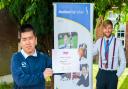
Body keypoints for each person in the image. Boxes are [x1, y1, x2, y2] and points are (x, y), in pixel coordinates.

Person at [11, 24, 53, 89]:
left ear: (36, 40)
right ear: (21, 43)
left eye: (30, 38)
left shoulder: (43, 57)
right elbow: (20, 81)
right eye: (24, 39)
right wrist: (42, 75)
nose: (28, 42)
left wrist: (72, 56)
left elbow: (59, 67)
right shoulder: (16, 58)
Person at [93, 20, 126, 89]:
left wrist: (117, 75)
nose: (107, 30)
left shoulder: (118, 42)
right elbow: (91, 53)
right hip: (101, 74)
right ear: (102, 29)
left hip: (112, 74)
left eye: (109, 28)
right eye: (105, 28)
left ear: (112, 29)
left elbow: (123, 61)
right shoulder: (99, 42)